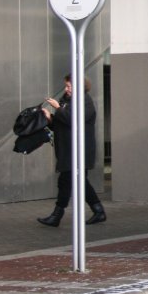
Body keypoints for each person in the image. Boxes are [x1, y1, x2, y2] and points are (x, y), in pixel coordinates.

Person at [36, 75, 106, 227]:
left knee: (66, 181)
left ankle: (57, 215)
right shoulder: (66, 100)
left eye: (70, 86)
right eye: (66, 86)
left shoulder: (85, 101)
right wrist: (50, 119)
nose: (67, 89)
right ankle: (98, 210)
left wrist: (57, 108)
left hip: (79, 150)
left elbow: (74, 119)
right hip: (68, 150)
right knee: (79, 182)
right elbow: (62, 123)